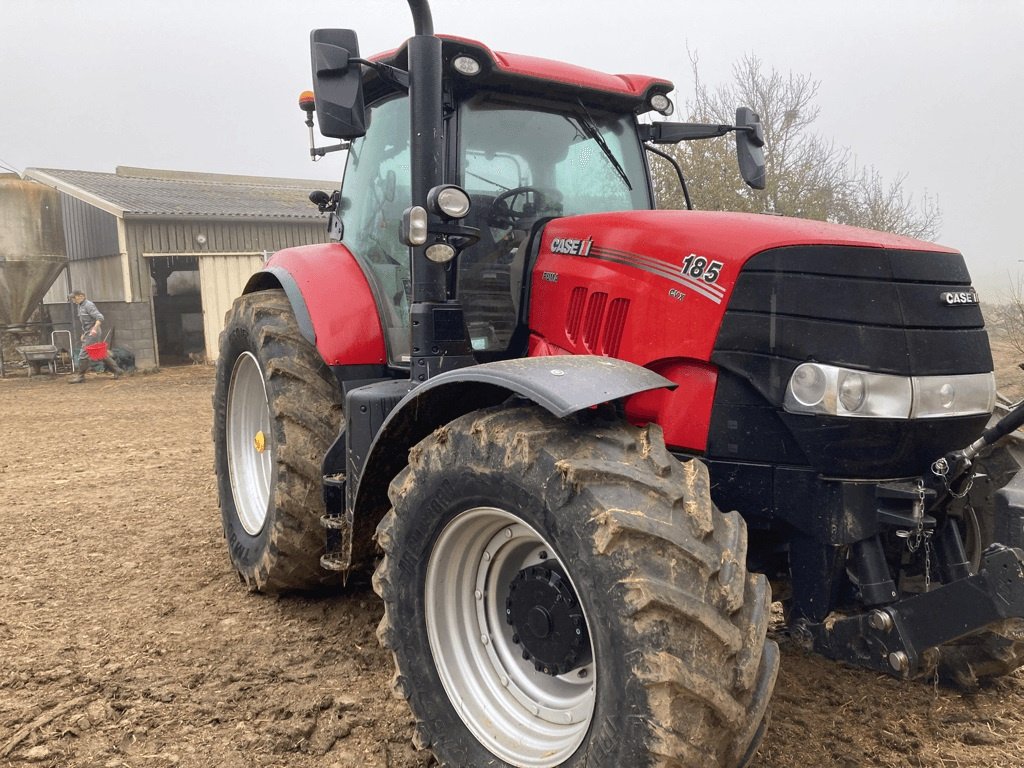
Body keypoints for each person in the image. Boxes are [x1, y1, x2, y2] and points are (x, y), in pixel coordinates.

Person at [67, 289, 123, 383]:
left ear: (81, 296)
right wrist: (83, 333)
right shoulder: (80, 306)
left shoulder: (89, 305)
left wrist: (94, 329)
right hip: (88, 332)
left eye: (74, 297)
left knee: (83, 354)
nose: (73, 299)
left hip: (93, 333)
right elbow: (85, 322)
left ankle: (80, 376)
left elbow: (99, 317)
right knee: (99, 353)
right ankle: (117, 370)